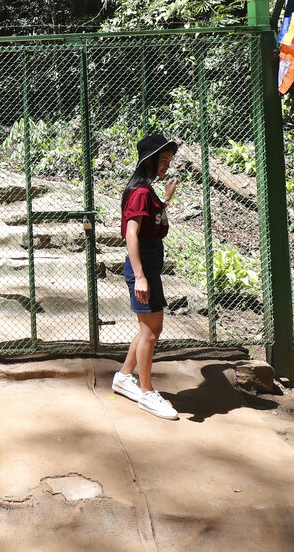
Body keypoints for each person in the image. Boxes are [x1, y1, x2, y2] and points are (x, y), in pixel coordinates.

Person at [111, 134, 180, 420]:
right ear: (148, 160)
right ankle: (147, 393)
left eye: (168, 161)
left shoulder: (145, 190)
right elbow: (131, 233)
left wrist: (164, 198)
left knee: (147, 330)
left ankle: (125, 377)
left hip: (150, 265)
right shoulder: (140, 192)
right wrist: (140, 276)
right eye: (162, 160)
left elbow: (150, 219)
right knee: (151, 332)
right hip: (144, 268)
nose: (166, 165)